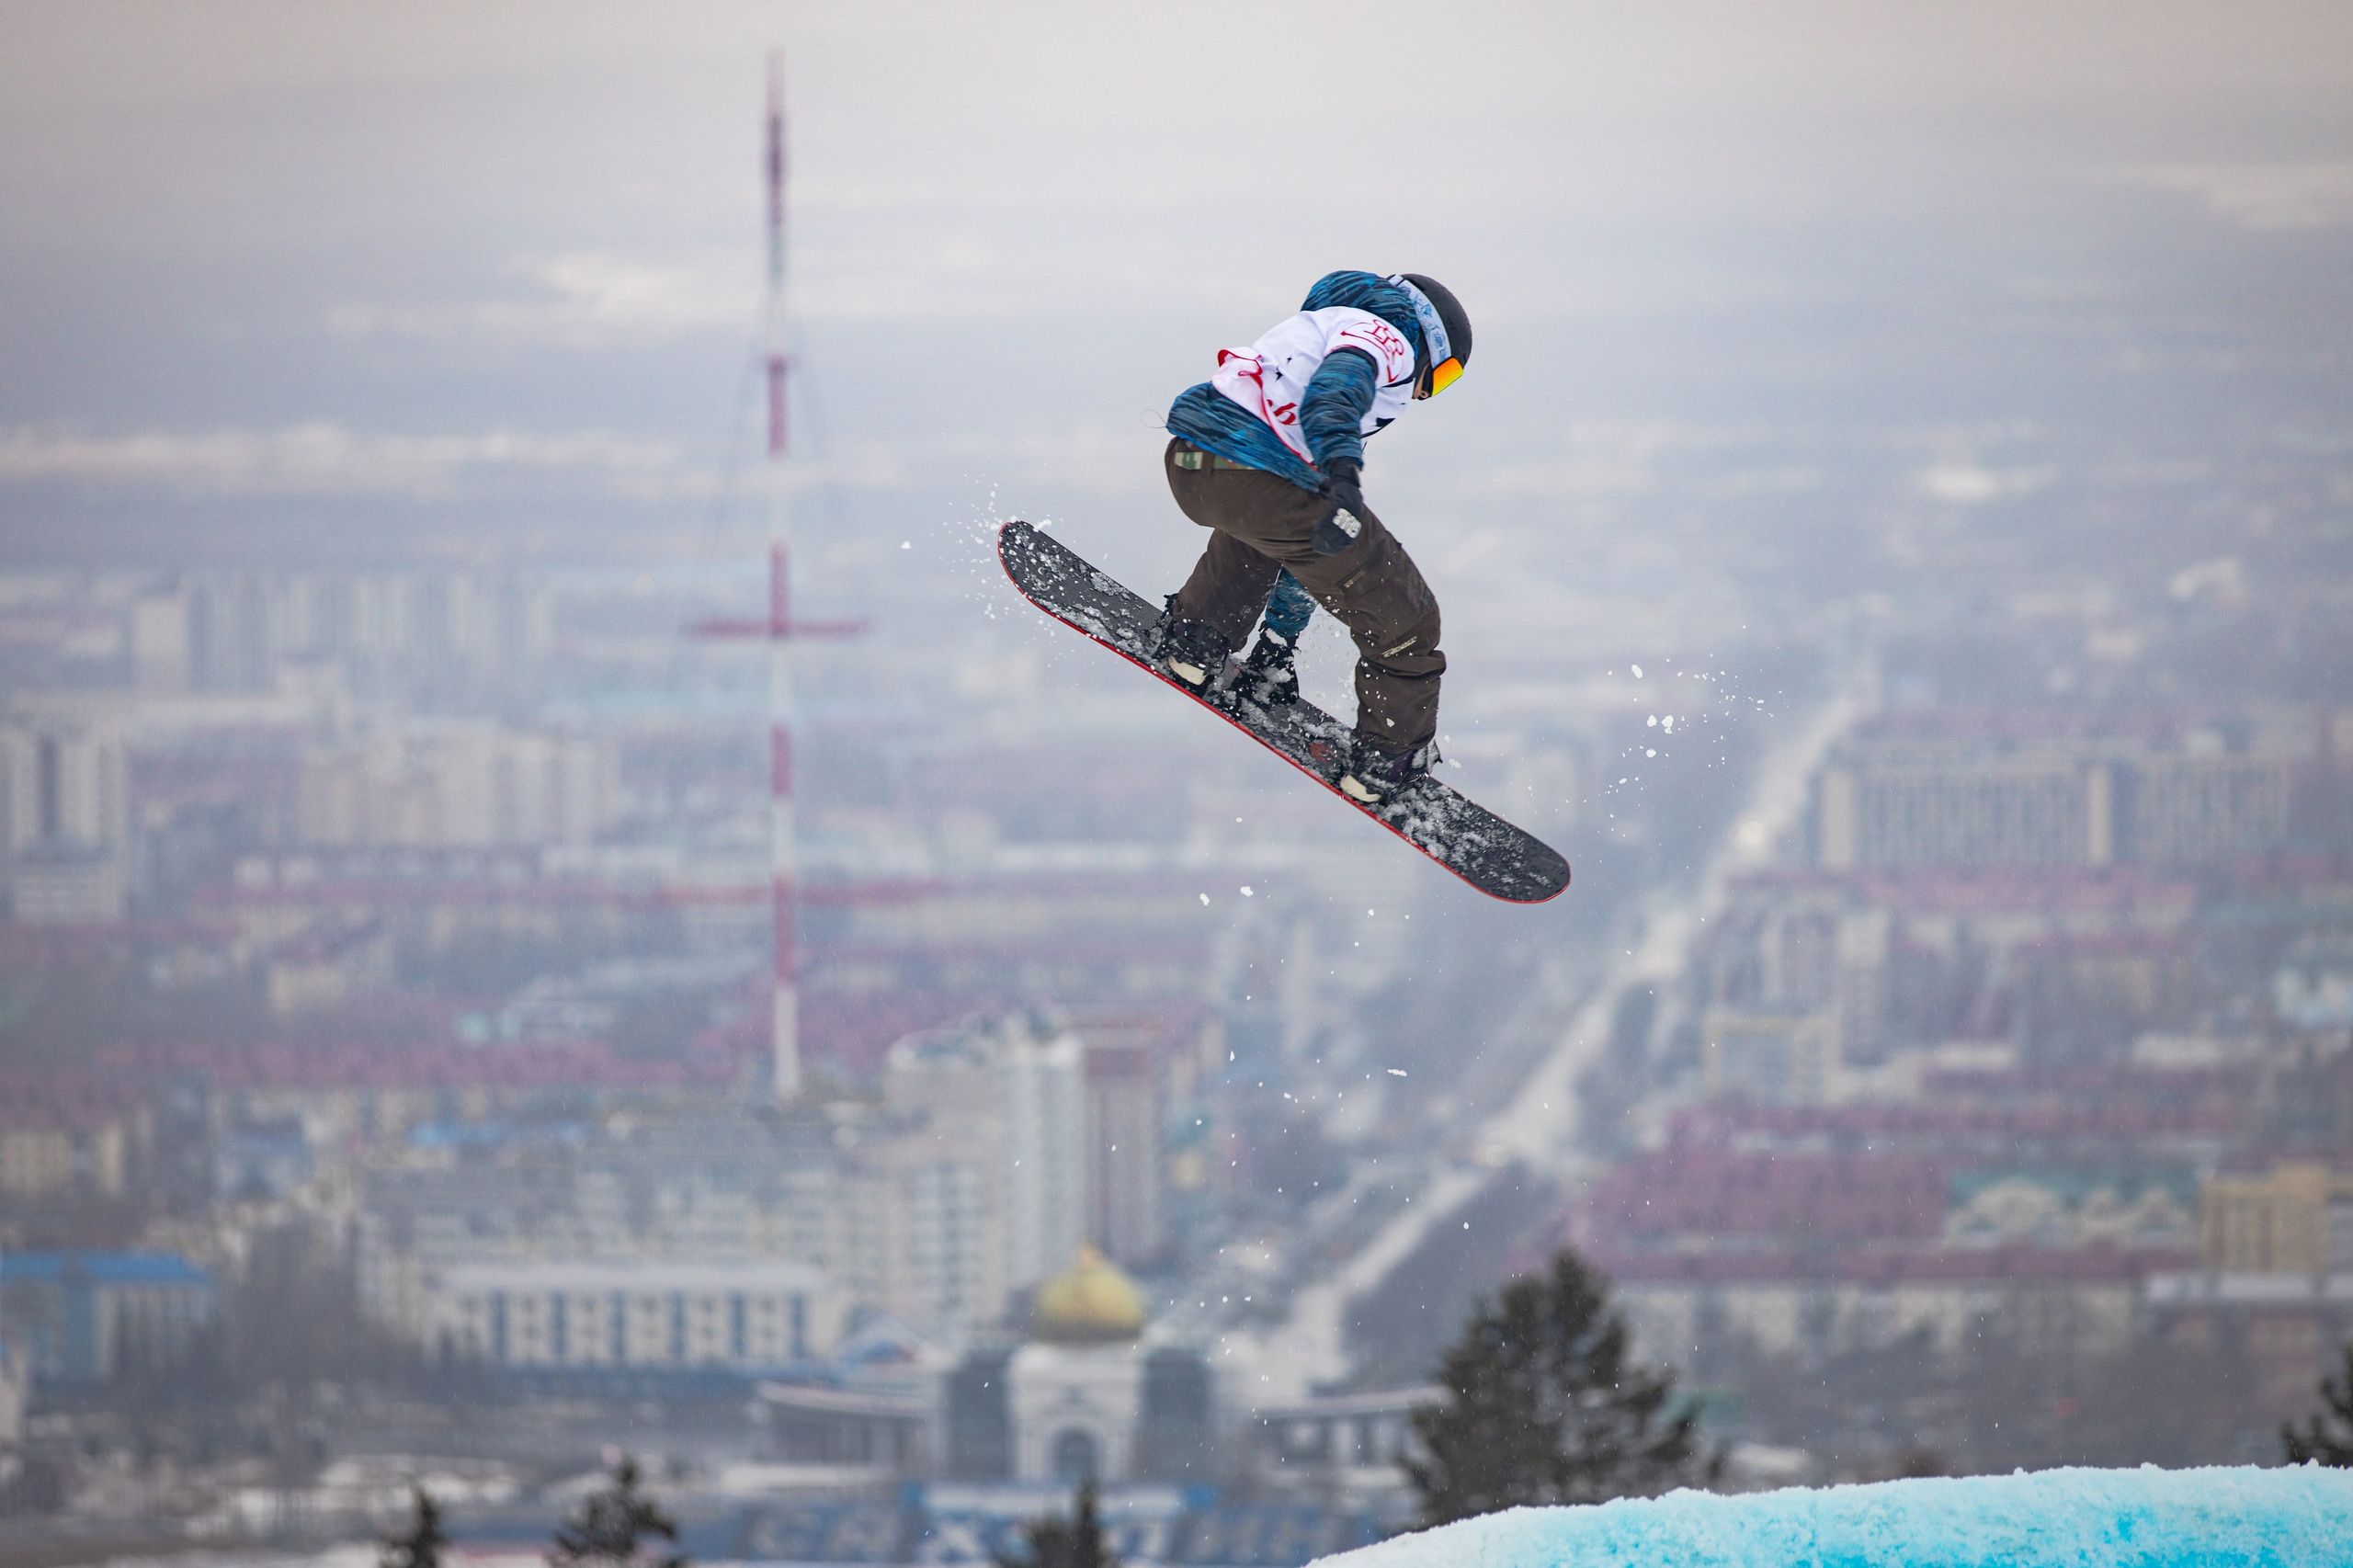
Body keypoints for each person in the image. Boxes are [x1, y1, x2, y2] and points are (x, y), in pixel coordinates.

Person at [1154, 271, 1471, 802]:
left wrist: (1278, 644)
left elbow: (1304, 548)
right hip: (1258, 475)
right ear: (1428, 341)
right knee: (1407, 618)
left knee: (1274, 529)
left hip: (1193, 461)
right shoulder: (1387, 337)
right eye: (1443, 376)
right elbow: (1337, 389)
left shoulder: (1319, 327)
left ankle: (1198, 639)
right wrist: (1343, 476)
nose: (1425, 393)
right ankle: (1387, 760)